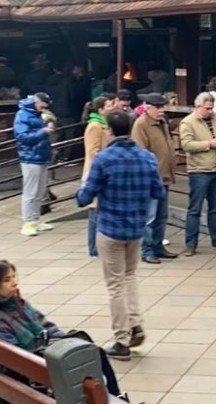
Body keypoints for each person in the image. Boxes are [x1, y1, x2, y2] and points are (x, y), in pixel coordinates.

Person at [76, 110, 165, 360]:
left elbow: (85, 196)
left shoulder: (104, 159)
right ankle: (135, 323)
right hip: (136, 227)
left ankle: (121, 339)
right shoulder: (147, 158)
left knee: (115, 284)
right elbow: (158, 192)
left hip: (110, 227)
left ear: (110, 130)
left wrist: (81, 192)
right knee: (130, 276)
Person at [0, 260, 123, 397]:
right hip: (31, 371)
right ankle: (115, 398)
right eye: (7, 280)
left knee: (91, 351)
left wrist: (64, 342)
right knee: (89, 359)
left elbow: (46, 325)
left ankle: (113, 397)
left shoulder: (16, 303)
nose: (14, 282)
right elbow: (12, 358)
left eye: (14, 277)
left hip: (39, 361)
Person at [179, 92, 216, 256]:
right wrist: (208, 144)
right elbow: (186, 144)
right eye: (207, 108)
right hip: (199, 170)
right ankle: (191, 243)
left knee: (215, 207)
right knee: (195, 209)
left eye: (212, 107)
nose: (211, 111)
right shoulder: (187, 122)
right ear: (198, 106)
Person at [130, 92, 178, 264]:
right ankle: (147, 249)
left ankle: (158, 246)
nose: (161, 110)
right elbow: (140, 153)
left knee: (162, 215)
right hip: (150, 179)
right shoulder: (141, 124)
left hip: (164, 176)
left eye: (163, 106)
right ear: (147, 107)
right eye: (158, 107)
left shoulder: (162, 122)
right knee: (149, 217)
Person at [13, 92, 55, 237]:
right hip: (30, 157)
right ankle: (28, 222)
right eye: (43, 105)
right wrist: (43, 131)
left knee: (40, 190)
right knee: (31, 191)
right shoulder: (22, 114)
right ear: (36, 102)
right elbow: (22, 137)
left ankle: (35, 220)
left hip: (42, 155)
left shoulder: (38, 114)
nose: (45, 108)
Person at [82, 97, 113, 257]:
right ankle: (94, 247)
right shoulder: (94, 126)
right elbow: (93, 151)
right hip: (94, 172)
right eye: (109, 105)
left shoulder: (102, 124)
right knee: (94, 210)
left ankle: (98, 245)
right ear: (100, 109)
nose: (112, 107)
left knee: (99, 210)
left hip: (101, 171)